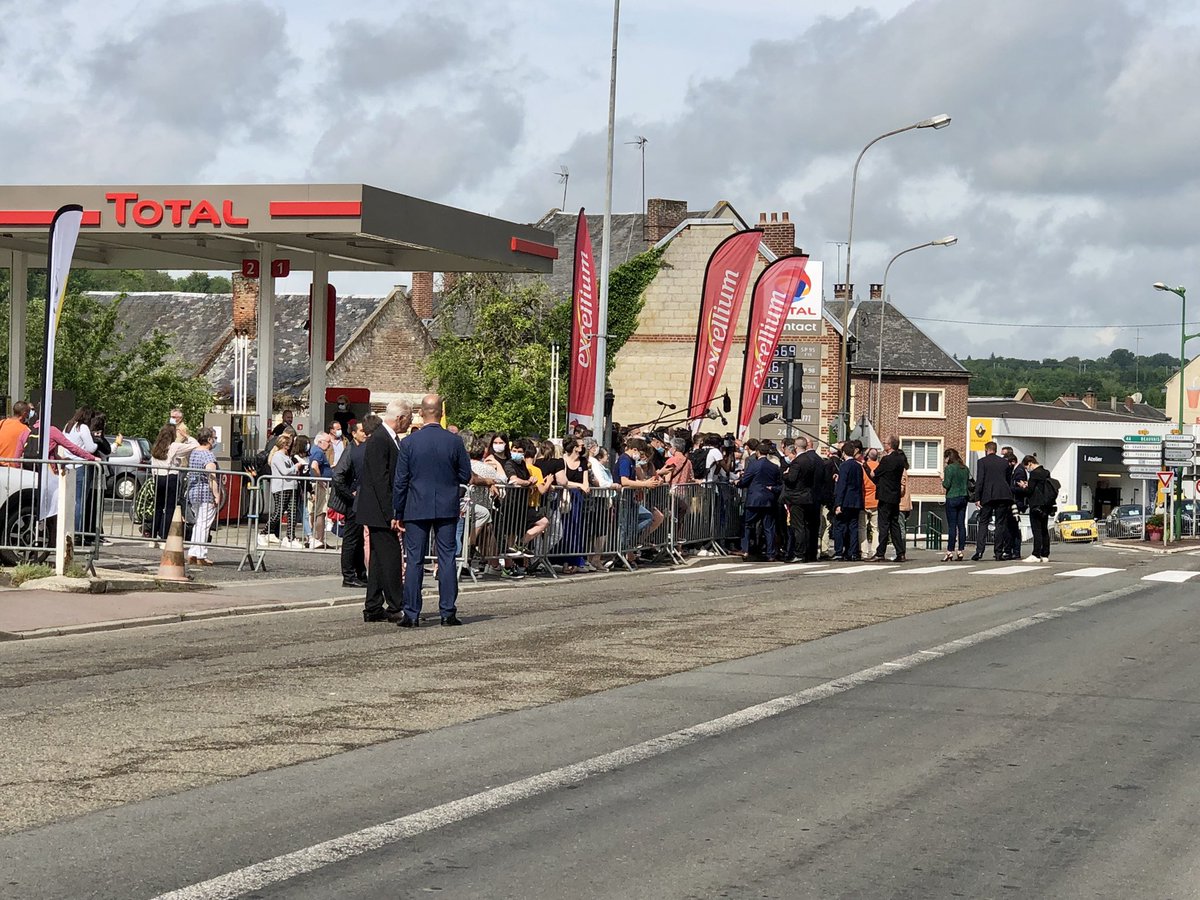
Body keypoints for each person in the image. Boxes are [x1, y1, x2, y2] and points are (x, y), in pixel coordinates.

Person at [393, 394, 471, 627]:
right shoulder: (454, 441)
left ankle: (412, 613)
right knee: (447, 558)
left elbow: (401, 481)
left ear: (421, 413)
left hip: (416, 505)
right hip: (446, 505)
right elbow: (464, 474)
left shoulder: (408, 443)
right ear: (441, 413)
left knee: (414, 560)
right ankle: (447, 612)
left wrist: (397, 512)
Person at [357, 400, 412, 623]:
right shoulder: (381, 438)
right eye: (408, 419)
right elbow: (381, 479)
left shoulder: (387, 437)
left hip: (376, 509)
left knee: (379, 560)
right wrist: (392, 513)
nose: (409, 424)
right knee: (391, 558)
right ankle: (396, 605)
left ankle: (372, 606)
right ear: (400, 417)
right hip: (380, 510)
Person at [330, 417, 373, 588]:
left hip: (360, 500)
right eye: (362, 431)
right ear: (354, 433)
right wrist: (351, 495)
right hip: (353, 503)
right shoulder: (350, 451)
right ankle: (348, 576)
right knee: (351, 539)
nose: (366, 434)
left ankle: (361, 573)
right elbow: (338, 476)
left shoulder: (361, 449)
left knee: (359, 540)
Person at [972, 441, 1016, 561]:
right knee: (1000, 524)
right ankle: (998, 553)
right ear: (996, 450)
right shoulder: (1004, 462)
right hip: (1003, 494)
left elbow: (980, 480)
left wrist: (977, 497)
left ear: (986, 450)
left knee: (983, 522)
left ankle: (979, 551)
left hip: (988, 495)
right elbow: (1008, 479)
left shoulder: (982, 462)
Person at [868, 435, 909, 562]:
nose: (884, 445)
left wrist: (869, 469)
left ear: (890, 445)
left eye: (885, 443)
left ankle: (880, 553)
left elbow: (874, 473)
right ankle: (900, 552)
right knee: (894, 524)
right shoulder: (900, 459)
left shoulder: (886, 460)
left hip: (885, 495)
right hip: (895, 496)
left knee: (884, 525)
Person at [738, 441, 781, 560]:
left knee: (747, 524)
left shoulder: (753, 465)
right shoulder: (774, 467)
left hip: (754, 499)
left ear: (757, 452)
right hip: (769, 499)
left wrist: (738, 483)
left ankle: (745, 549)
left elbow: (745, 480)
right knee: (769, 527)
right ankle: (771, 553)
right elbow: (779, 484)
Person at [185, 426, 220, 566]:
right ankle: (201, 554)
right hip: (205, 492)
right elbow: (211, 475)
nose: (215, 440)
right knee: (204, 524)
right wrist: (216, 495)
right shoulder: (208, 455)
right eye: (214, 437)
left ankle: (193, 552)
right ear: (209, 439)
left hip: (193, 491)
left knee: (198, 523)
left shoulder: (194, 452)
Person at [267, 433, 304, 549]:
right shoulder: (278, 456)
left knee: (292, 513)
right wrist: (295, 467)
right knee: (279, 512)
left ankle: (290, 537)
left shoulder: (287, 457)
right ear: (285, 445)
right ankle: (264, 532)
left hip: (291, 486)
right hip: (282, 487)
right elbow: (284, 471)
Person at [1022, 455, 1059, 562]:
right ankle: (1045, 554)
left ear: (1030, 463)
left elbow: (1030, 490)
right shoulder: (1046, 472)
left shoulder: (1034, 474)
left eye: (1026, 467)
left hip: (1036, 505)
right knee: (1044, 530)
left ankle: (1036, 554)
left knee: (1036, 530)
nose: (1027, 469)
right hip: (1046, 505)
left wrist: (1024, 486)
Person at [833, 441, 865, 561]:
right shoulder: (858, 466)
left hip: (845, 500)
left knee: (840, 526)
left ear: (844, 453)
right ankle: (852, 552)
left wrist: (838, 503)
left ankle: (839, 551)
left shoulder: (844, 466)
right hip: (856, 500)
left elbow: (842, 486)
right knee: (853, 527)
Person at [941, 448, 970, 561]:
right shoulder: (965, 468)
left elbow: (946, 485)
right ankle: (961, 550)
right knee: (961, 525)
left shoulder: (949, 468)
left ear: (949, 457)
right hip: (963, 497)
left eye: (945, 458)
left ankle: (949, 551)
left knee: (952, 526)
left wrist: (942, 479)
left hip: (952, 497)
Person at [308, 431, 334, 549]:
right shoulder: (318, 452)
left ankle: (316, 538)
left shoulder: (315, 450)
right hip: (320, 486)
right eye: (328, 442)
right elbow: (314, 466)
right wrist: (320, 480)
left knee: (315, 512)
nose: (329, 444)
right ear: (320, 442)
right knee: (321, 512)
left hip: (317, 484)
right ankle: (318, 539)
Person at [859, 448, 879, 558]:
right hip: (876, 500)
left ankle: (864, 551)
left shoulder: (863, 468)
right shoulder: (880, 466)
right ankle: (875, 550)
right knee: (876, 528)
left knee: (862, 527)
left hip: (864, 499)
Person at [0, 401, 31, 465]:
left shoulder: (2, 423)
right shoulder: (26, 430)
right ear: (24, 414)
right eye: (28, 413)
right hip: (13, 468)